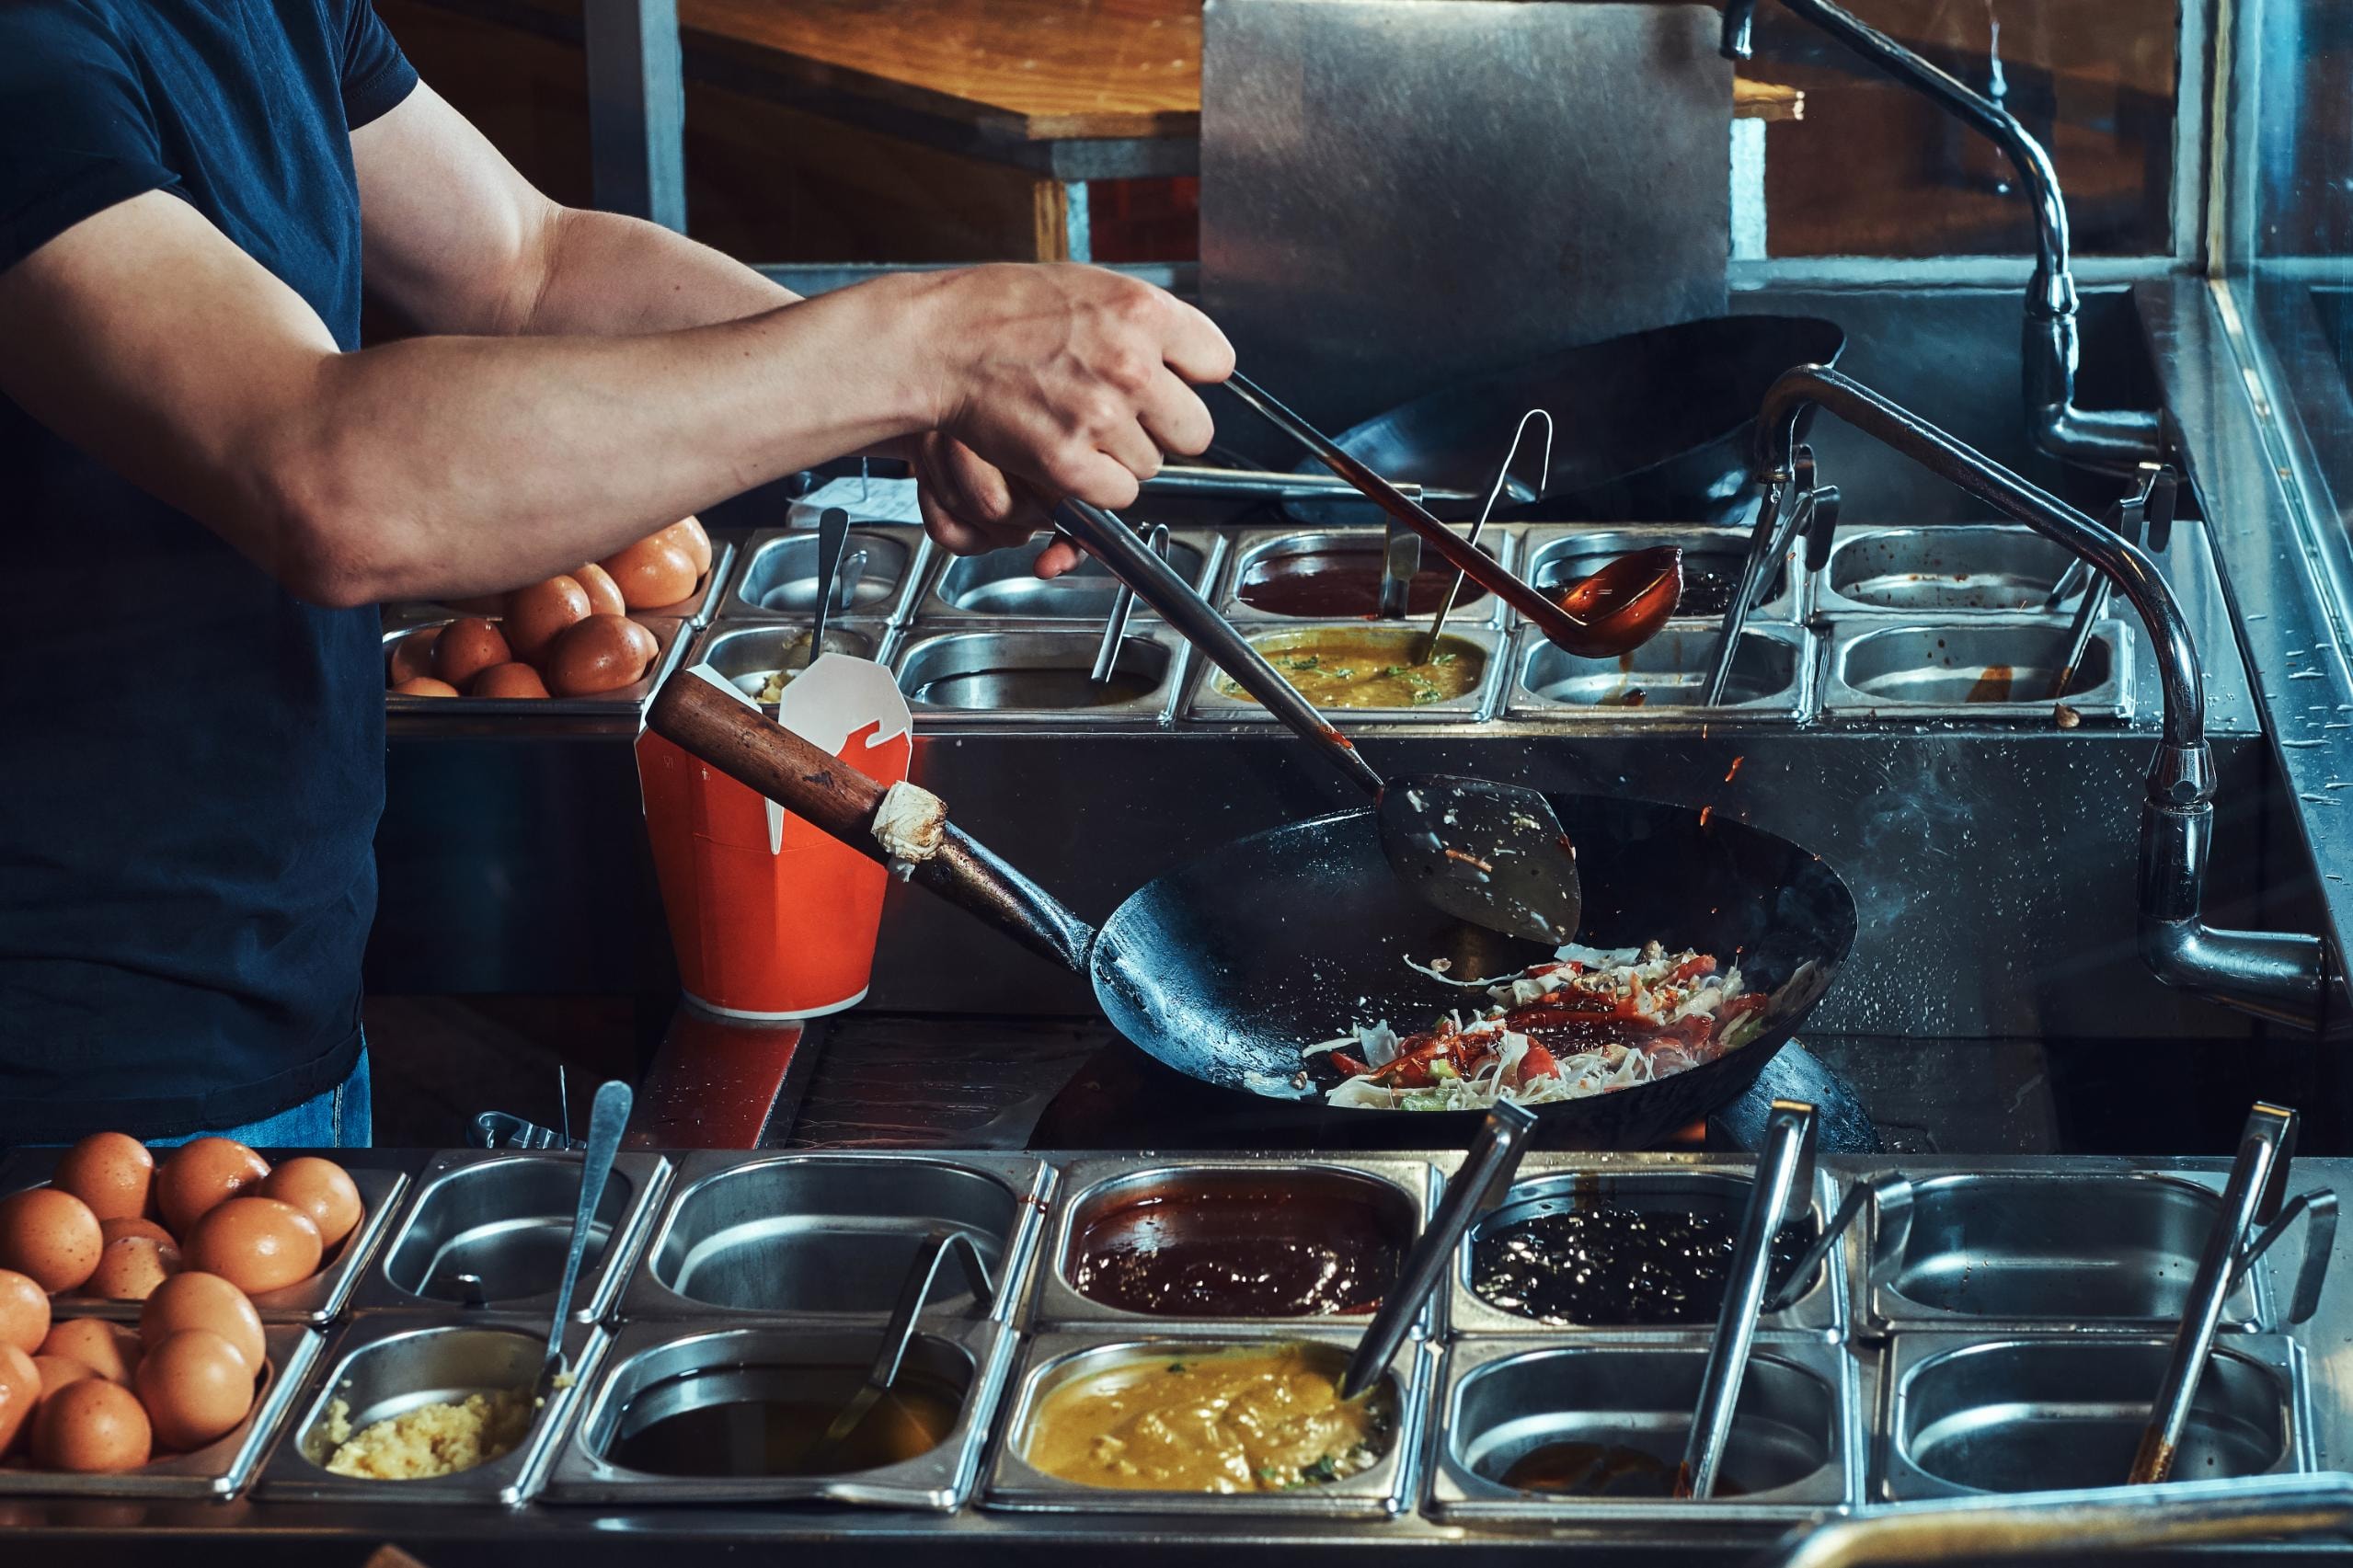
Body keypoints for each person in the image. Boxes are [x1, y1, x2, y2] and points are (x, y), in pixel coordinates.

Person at [0, 0, 1233, 1146]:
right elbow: (322, 476)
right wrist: (924, 350)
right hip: (67, 1052)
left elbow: (523, 263)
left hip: (279, 966)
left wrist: (922, 412)